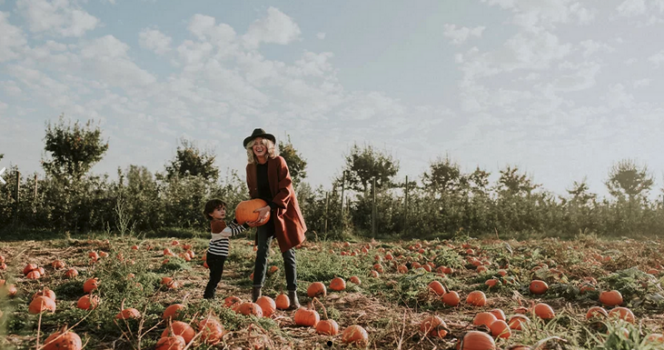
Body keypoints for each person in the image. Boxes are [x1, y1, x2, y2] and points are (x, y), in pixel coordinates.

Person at [244, 128, 307, 309]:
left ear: (268, 145)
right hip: (263, 214)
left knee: (288, 253)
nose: (258, 146)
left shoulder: (278, 162)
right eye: (254, 144)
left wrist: (270, 207)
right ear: (251, 148)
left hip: (281, 212)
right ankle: (256, 297)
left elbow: (286, 188)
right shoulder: (251, 168)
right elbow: (252, 194)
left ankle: (293, 296)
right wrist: (251, 213)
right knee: (261, 252)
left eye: (261, 143)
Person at [202, 199, 249, 299]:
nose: (223, 211)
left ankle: (209, 296)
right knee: (215, 278)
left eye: (223, 209)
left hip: (214, 255)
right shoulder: (218, 224)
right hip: (216, 256)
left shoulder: (218, 222)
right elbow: (231, 232)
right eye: (219, 210)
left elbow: (229, 228)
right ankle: (208, 297)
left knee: (214, 277)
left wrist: (236, 221)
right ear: (211, 213)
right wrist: (246, 225)